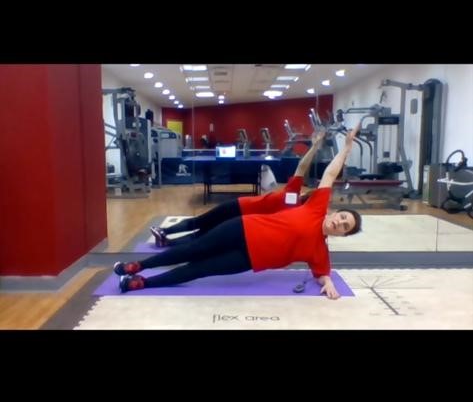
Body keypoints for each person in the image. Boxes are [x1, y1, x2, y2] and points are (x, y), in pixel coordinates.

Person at [116, 125, 362, 299]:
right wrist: (347, 148)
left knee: (200, 268)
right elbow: (330, 173)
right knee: (193, 248)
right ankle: (137, 266)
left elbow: (322, 273)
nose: (339, 224)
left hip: (248, 259)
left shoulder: (319, 251)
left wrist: (327, 282)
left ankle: (142, 283)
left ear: (342, 235)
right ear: (334, 213)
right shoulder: (315, 207)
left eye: (345, 227)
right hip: (244, 227)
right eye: (342, 218)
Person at [147, 130, 327, 248]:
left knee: (201, 222)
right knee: (204, 232)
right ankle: (167, 241)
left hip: (240, 209)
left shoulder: (293, 196)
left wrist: (314, 147)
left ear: (306, 194)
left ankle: (165, 234)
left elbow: (301, 167)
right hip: (243, 217)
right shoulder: (296, 209)